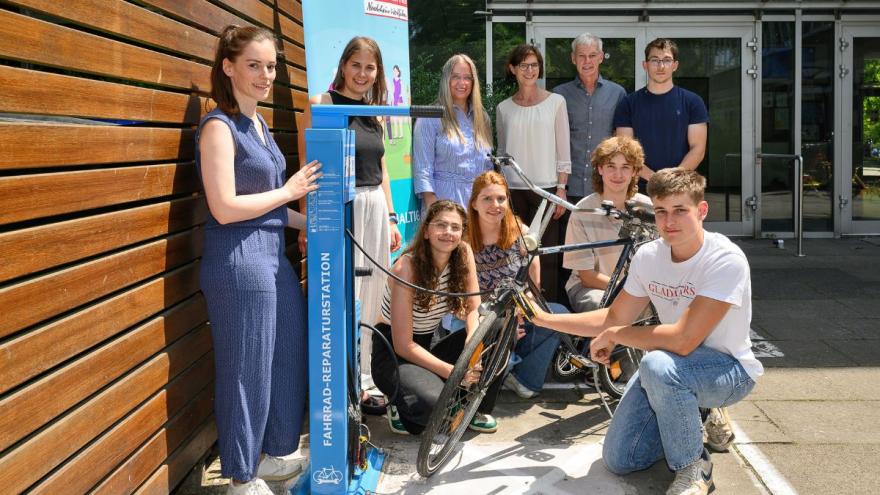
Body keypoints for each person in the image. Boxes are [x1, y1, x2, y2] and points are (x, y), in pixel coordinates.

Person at [530, 168, 763, 495]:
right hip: (671, 369)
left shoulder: (725, 259)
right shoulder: (649, 256)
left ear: (702, 211)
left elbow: (683, 340)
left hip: (728, 369)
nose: (669, 221)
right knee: (620, 459)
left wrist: (615, 336)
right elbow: (613, 317)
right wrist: (544, 319)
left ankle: (694, 467)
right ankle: (688, 423)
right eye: (661, 211)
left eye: (680, 210)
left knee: (656, 364)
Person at [196, 25, 322, 494]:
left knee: (288, 354)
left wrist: (311, 224)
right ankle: (240, 477)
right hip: (237, 262)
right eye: (254, 65)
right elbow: (224, 206)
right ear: (227, 67)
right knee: (245, 370)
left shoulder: (259, 124)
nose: (265, 75)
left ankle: (271, 454)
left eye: (270, 66)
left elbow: (268, 200)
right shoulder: (218, 127)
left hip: (272, 257)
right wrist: (289, 193)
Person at [298, 36, 402, 415]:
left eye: (370, 67)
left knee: (373, 294)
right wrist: (306, 222)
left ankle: (366, 379)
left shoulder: (374, 110)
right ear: (343, 65)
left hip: (375, 204)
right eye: (356, 65)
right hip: (339, 207)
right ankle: (337, 380)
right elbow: (306, 167)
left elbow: (384, 166)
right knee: (342, 296)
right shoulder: (321, 105)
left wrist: (391, 215)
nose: (362, 73)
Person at [371, 200, 501, 435]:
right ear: (427, 231)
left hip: (428, 344)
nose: (448, 233)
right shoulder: (407, 267)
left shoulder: (463, 252)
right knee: (430, 411)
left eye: (455, 227)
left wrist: (474, 344)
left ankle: (468, 407)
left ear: (462, 232)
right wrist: (453, 372)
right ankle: (399, 403)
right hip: (394, 352)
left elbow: (474, 309)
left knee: (497, 325)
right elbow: (404, 345)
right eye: (441, 225)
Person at [466, 171, 564, 399]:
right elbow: (462, 295)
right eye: (487, 199)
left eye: (501, 198)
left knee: (558, 315)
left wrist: (522, 309)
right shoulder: (464, 239)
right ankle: (502, 365)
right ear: (474, 204)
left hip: (514, 308)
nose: (495, 205)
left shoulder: (521, 232)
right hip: (480, 314)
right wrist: (501, 323)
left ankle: (521, 377)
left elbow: (532, 283)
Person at [553, 33, 627, 306]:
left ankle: (609, 305)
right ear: (573, 59)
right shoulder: (559, 95)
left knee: (603, 252)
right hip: (569, 190)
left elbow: (621, 141)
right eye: (581, 56)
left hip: (603, 190)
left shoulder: (618, 94)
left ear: (601, 57)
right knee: (568, 257)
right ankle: (569, 318)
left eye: (592, 55)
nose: (587, 61)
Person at [496, 43, 571, 304]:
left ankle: (546, 312)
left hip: (547, 191)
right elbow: (502, 153)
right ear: (513, 69)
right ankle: (516, 310)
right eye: (524, 65)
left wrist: (561, 189)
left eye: (534, 65)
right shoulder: (503, 108)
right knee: (515, 253)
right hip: (513, 192)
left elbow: (564, 149)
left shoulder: (556, 102)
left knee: (545, 257)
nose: (530, 70)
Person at [563, 136, 650, 313]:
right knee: (612, 308)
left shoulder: (649, 209)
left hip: (638, 292)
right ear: (600, 169)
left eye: (625, 167)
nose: (618, 175)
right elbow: (587, 276)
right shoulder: (583, 211)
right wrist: (627, 292)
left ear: (635, 172)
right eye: (611, 166)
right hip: (591, 289)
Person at [613, 38, 709, 185]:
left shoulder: (693, 102)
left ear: (675, 65)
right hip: (639, 189)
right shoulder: (628, 103)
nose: (661, 66)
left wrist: (673, 179)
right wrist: (655, 179)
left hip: (681, 187)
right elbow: (626, 151)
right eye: (654, 60)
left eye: (667, 60)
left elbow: (698, 149)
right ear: (645, 65)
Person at [412, 54, 493, 211]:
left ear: (473, 82)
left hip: (479, 205)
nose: (462, 83)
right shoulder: (430, 117)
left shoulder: (482, 118)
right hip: (443, 203)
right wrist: (433, 208)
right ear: (446, 80)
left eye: (467, 78)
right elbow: (423, 168)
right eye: (455, 77)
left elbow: (488, 166)